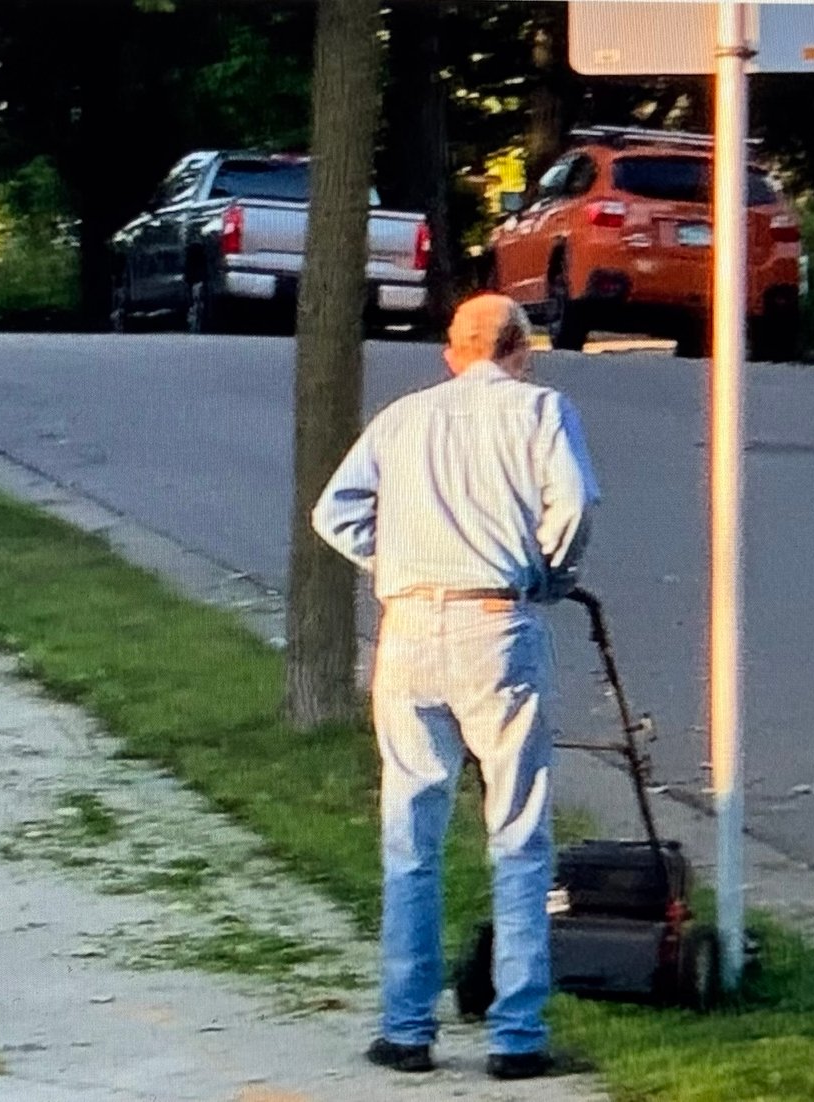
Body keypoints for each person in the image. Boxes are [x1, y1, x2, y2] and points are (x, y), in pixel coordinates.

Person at [311, 293, 599, 1080]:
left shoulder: (404, 417)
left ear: (454, 351)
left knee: (411, 830)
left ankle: (405, 1029)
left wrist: (395, 564)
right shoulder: (542, 410)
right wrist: (548, 576)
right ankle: (515, 1035)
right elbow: (570, 504)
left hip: (408, 627)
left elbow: (335, 512)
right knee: (517, 827)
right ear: (521, 348)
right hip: (496, 622)